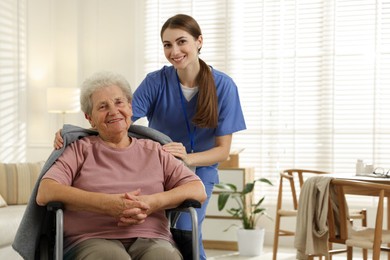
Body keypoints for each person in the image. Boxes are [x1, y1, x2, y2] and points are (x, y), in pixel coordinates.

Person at [53, 14, 246, 259]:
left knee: (187, 236)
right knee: (160, 234)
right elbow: (119, 119)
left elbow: (222, 150)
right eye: (167, 45)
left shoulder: (223, 86)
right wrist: (73, 134)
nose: (174, 51)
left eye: (181, 42)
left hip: (199, 169)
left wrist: (187, 158)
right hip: (156, 167)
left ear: (199, 41)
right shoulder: (156, 82)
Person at [38, 71, 207, 260]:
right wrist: (107, 204)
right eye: (102, 106)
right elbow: (46, 191)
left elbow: (198, 190)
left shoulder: (155, 151)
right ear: (89, 118)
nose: (113, 111)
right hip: (91, 238)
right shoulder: (78, 150)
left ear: (130, 107)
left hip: (152, 238)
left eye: (119, 102)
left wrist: (152, 202)